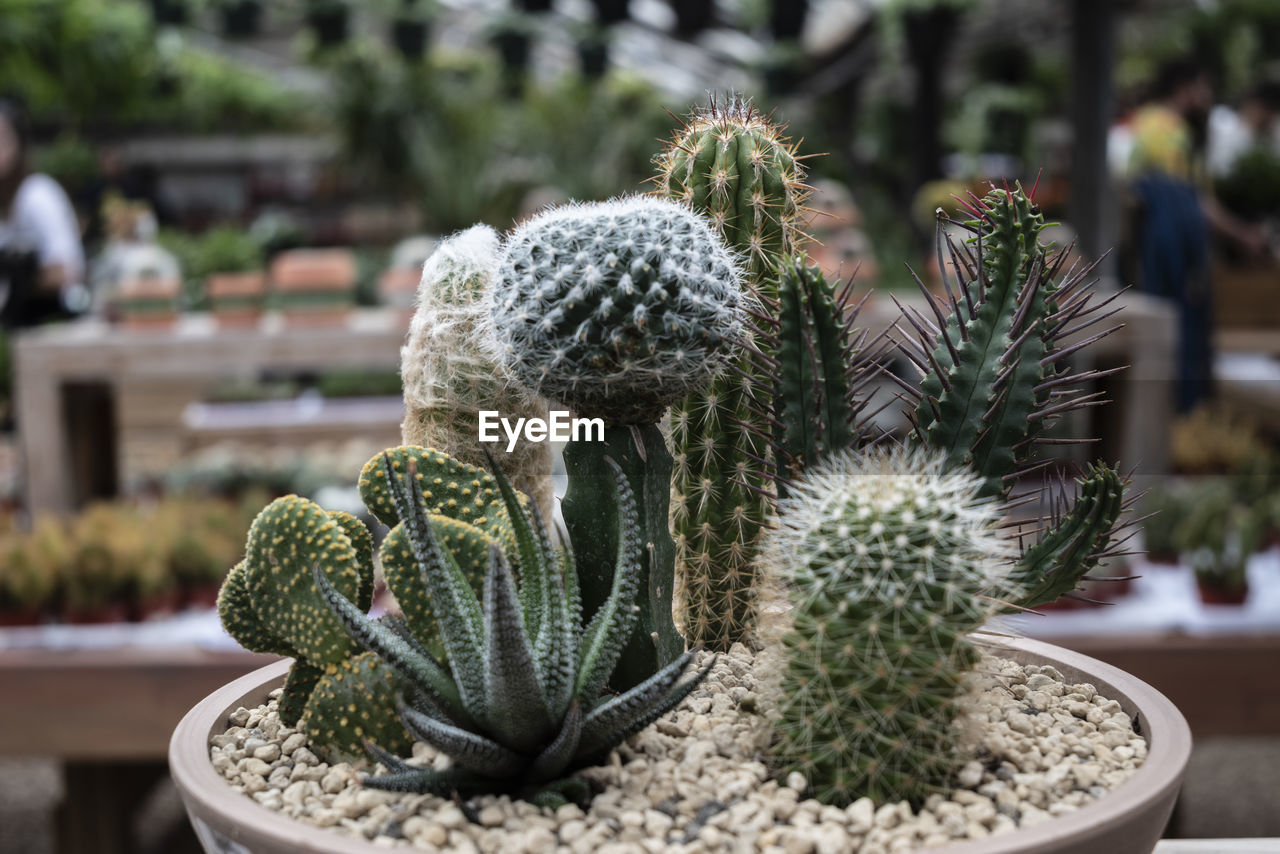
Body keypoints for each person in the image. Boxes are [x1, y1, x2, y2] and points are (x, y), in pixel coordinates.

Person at [1125, 60, 1266, 414]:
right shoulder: (1165, 129)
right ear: (1184, 89)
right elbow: (1190, 202)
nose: (1208, 97)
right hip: (1172, 258)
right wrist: (1242, 234)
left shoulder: (1154, 124)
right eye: (1203, 88)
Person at [0, 98, 86, 327]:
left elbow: (68, 270)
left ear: (20, 142)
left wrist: (20, 279)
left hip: (52, 320)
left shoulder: (37, 193)